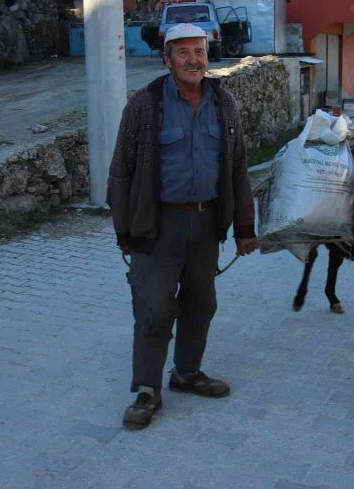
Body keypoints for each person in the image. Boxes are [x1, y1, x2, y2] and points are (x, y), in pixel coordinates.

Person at [107, 23, 259, 430]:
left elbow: (238, 168)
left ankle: (187, 374)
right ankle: (147, 390)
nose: (193, 60)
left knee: (200, 303)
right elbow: (121, 170)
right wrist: (124, 231)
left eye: (200, 51)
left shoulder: (223, 102)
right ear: (167, 59)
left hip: (207, 223)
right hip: (157, 225)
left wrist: (245, 228)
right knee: (154, 308)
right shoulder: (145, 104)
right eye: (183, 52)